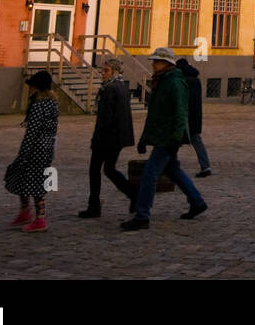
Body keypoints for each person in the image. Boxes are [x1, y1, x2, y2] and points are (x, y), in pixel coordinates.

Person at [121, 47, 207, 231]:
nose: (152, 64)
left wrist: (176, 137)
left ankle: (142, 215)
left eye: (156, 61)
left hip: (168, 137)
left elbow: (180, 112)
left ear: (166, 64)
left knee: (149, 174)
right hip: (162, 135)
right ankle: (197, 201)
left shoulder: (174, 82)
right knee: (173, 170)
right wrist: (145, 138)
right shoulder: (161, 81)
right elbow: (155, 114)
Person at [79, 55, 135, 218]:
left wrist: (97, 138)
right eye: (102, 70)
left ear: (114, 71)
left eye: (106, 70)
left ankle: (94, 205)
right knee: (109, 169)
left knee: (95, 170)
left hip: (107, 138)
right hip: (118, 137)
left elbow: (105, 117)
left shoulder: (109, 89)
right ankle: (132, 194)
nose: (102, 73)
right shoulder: (121, 86)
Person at [5, 70, 58, 233]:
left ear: (37, 88)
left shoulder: (38, 105)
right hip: (48, 147)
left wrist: (24, 152)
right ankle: (25, 212)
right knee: (28, 178)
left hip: (36, 148)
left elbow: (32, 132)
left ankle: (39, 218)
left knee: (32, 181)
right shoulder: (53, 104)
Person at [175, 57, 212, 177]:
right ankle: (205, 166)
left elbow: (184, 100)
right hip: (195, 115)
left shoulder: (183, 80)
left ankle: (170, 165)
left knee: (173, 141)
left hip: (185, 116)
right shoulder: (195, 80)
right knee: (196, 140)